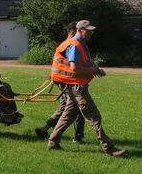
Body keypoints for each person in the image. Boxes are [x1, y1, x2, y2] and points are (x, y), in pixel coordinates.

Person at [47, 20, 127, 157]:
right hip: (76, 87)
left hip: (75, 85)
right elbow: (74, 67)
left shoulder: (81, 44)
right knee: (94, 116)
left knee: (68, 115)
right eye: (88, 30)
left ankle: (52, 143)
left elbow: (87, 63)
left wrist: (96, 70)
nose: (91, 33)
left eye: (91, 30)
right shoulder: (74, 44)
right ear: (79, 30)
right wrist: (92, 71)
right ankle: (109, 148)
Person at [34, 22, 85, 142]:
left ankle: (45, 130)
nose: (81, 34)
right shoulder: (70, 45)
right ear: (72, 31)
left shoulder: (65, 45)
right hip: (65, 81)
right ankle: (74, 137)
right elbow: (71, 66)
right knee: (73, 107)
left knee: (70, 107)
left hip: (62, 80)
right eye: (79, 31)